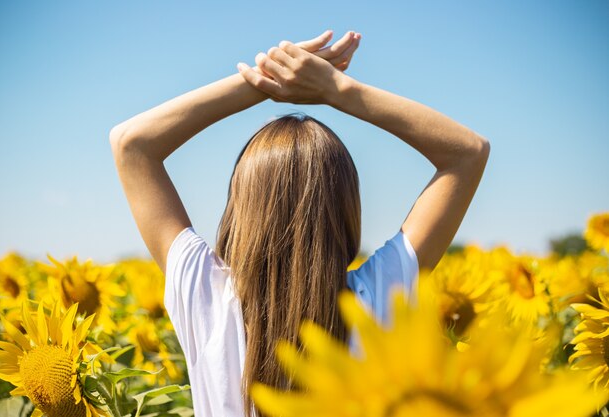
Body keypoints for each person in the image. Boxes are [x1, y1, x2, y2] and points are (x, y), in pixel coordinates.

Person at [110, 30, 490, 417]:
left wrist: (264, 80)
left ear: (239, 209)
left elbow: (131, 144)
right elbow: (468, 153)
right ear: (346, 210)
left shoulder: (204, 294)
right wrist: (336, 89)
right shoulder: (377, 298)